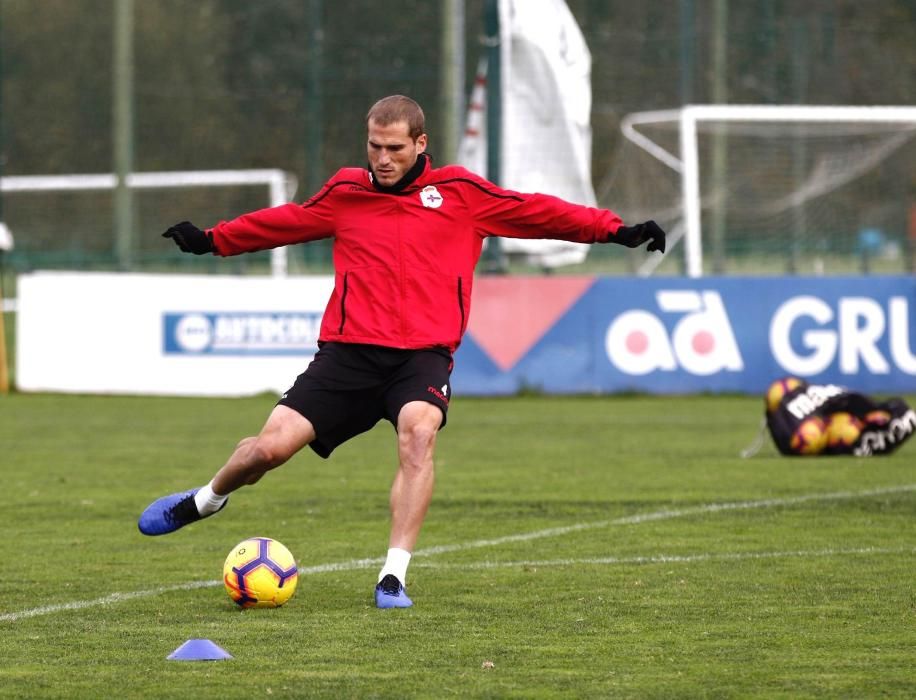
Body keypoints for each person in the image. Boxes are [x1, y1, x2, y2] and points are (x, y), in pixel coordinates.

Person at [138, 94, 665, 609]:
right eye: (374, 147)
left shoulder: (461, 193)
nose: (383, 159)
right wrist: (213, 239)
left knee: (418, 437)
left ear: (420, 143)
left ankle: (392, 577)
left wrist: (617, 229)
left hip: (421, 358)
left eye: (394, 148)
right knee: (265, 452)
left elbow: (539, 213)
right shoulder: (346, 192)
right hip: (348, 357)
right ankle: (205, 500)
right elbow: (287, 222)